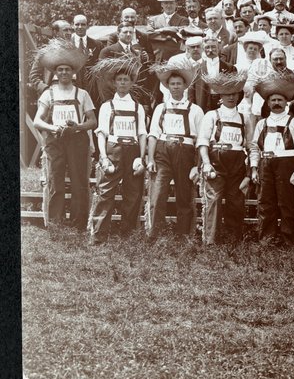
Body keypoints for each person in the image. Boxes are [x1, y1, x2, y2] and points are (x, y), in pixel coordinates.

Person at [32, 43, 95, 230]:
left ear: (73, 72)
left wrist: (78, 127)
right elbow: (37, 121)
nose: (64, 73)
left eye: (67, 69)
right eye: (60, 70)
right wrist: (52, 127)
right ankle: (55, 225)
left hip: (77, 140)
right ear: (55, 73)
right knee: (55, 181)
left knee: (79, 182)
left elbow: (93, 121)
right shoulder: (48, 94)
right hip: (55, 141)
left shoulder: (82, 94)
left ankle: (78, 224)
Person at [87, 57, 147, 243]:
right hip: (113, 150)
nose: (122, 83)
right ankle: (98, 235)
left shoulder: (138, 107)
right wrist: (103, 157)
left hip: (133, 150)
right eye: (119, 80)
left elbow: (143, 134)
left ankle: (128, 235)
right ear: (114, 83)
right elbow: (101, 133)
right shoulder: (107, 106)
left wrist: (142, 157)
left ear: (131, 83)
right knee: (105, 192)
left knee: (133, 193)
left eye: (126, 80)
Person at [145, 63, 204, 240]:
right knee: (158, 194)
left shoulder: (195, 110)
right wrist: (150, 158)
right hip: (162, 151)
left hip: (185, 152)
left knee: (184, 195)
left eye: (179, 83)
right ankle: (154, 235)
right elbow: (153, 134)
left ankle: (184, 235)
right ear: (167, 86)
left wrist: (197, 165)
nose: (176, 87)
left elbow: (200, 140)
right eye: (172, 84)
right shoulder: (160, 108)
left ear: (185, 86)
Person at [250, 74, 294, 246]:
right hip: (265, 164)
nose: (276, 103)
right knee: (266, 202)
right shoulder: (262, 124)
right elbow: (255, 147)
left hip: (287, 164)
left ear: (286, 102)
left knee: (286, 202)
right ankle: (267, 239)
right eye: (273, 100)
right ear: (267, 103)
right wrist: (254, 168)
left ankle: (288, 239)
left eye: (280, 100)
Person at [195, 72, 254, 245]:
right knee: (213, 200)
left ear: (238, 95)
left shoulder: (244, 118)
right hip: (216, 163)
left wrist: (250, 170)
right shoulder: (212, 115)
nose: (231, 97)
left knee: (236, 201)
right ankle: (211, 242)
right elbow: (203, 141)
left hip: (237, 165)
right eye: (227, 94)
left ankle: (232, 241)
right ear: (220, 96)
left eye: (234, 94)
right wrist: (206, 163)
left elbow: (250, 145)